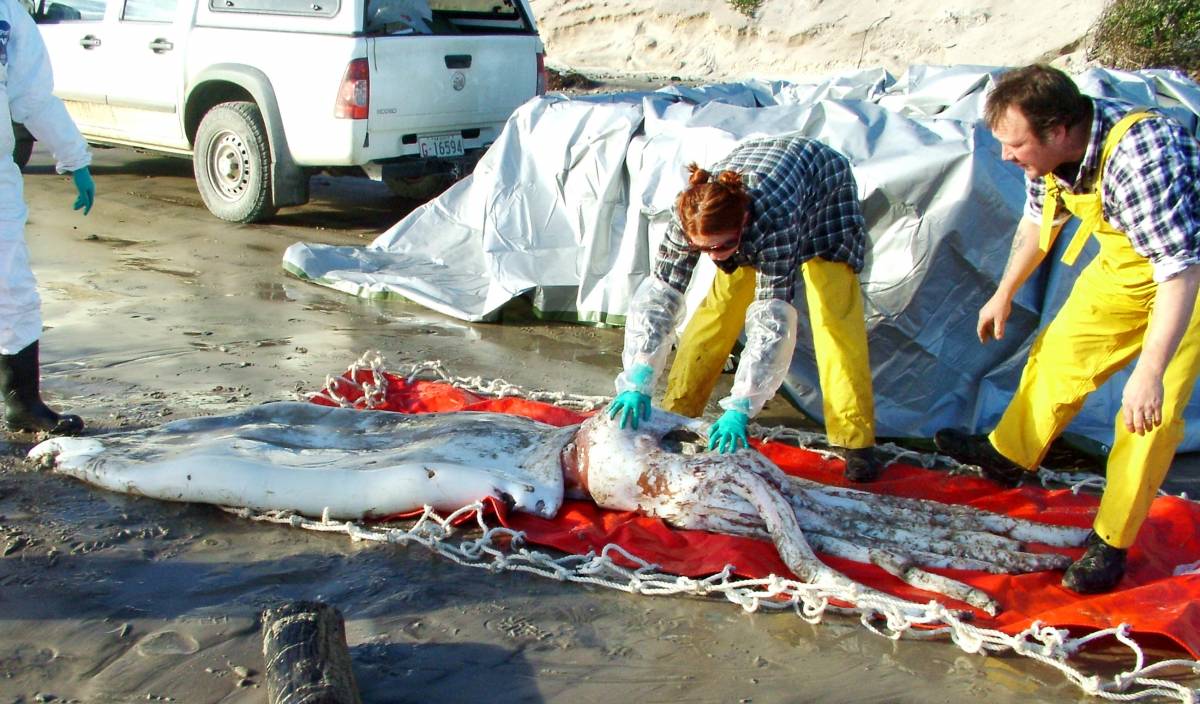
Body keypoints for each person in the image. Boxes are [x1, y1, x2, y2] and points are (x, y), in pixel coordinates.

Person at [934, 64, 1200, 594]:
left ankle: (1112, 540)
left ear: (1057, 131)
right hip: (1125, 269)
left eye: (1015, 144)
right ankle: (1009, 455)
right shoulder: (1052, 162)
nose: (1007, 157)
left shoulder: (1142, 157)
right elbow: (1040, 221)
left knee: (1151, 411)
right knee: (1058, 356)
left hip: (1188, 277)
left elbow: (1180, 271)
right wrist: (1003, 292)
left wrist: (1148, 371)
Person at [607, 135, 881, 482]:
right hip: (759, 188)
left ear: (744, 221)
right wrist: (639, 376)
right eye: (705, 249)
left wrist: (742, 405)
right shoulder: (689, 214)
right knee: (718, 311)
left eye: (725, 247)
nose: (716, 255)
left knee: (834, 317)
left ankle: (855, 440)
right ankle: (677, 413)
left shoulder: (774, 221)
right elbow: (659, 298)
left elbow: (772, 323)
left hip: (823, 190)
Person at [0, 0, 96, 435]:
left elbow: (31, 96)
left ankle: (23, 403)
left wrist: (75, 158)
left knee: (11, 286)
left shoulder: (8, 15)